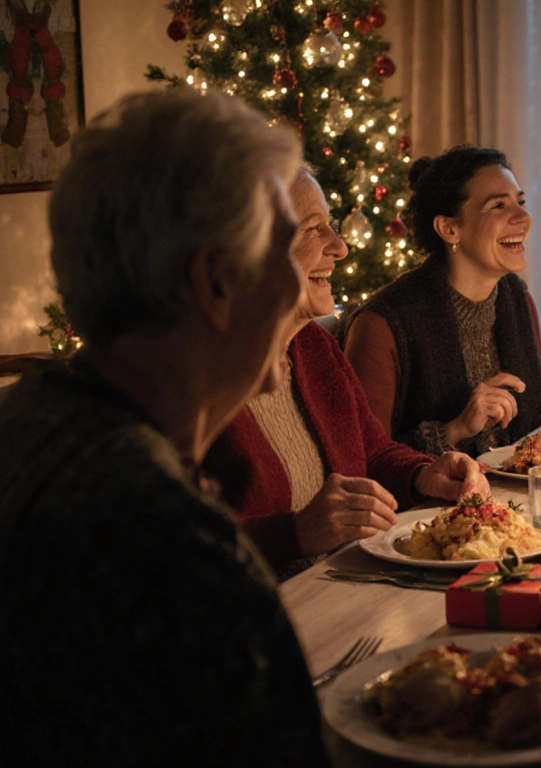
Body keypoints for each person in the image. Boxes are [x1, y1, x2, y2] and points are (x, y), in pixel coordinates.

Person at [0, 90, 325, 764]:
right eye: (286, 252)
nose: (300, 293)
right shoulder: (166, 540)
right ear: (214, 283)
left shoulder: (30, 419)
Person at [205, 169, 491, 576]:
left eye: (332, 227)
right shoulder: (193, 380)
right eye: (312, 230)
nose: (339, 247)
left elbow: (371, 451)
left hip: (344, 584)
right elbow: (166, 549)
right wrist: (296, 533)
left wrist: (424, 474)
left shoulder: (312, 346)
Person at [344, 145, 541, 456]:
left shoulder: (518, 299)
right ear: (449, 228)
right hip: (426, 505)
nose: (523, 216)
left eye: (520, 202)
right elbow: (363, 458)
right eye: (498, 206)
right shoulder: (382, 325)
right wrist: (455, 429)